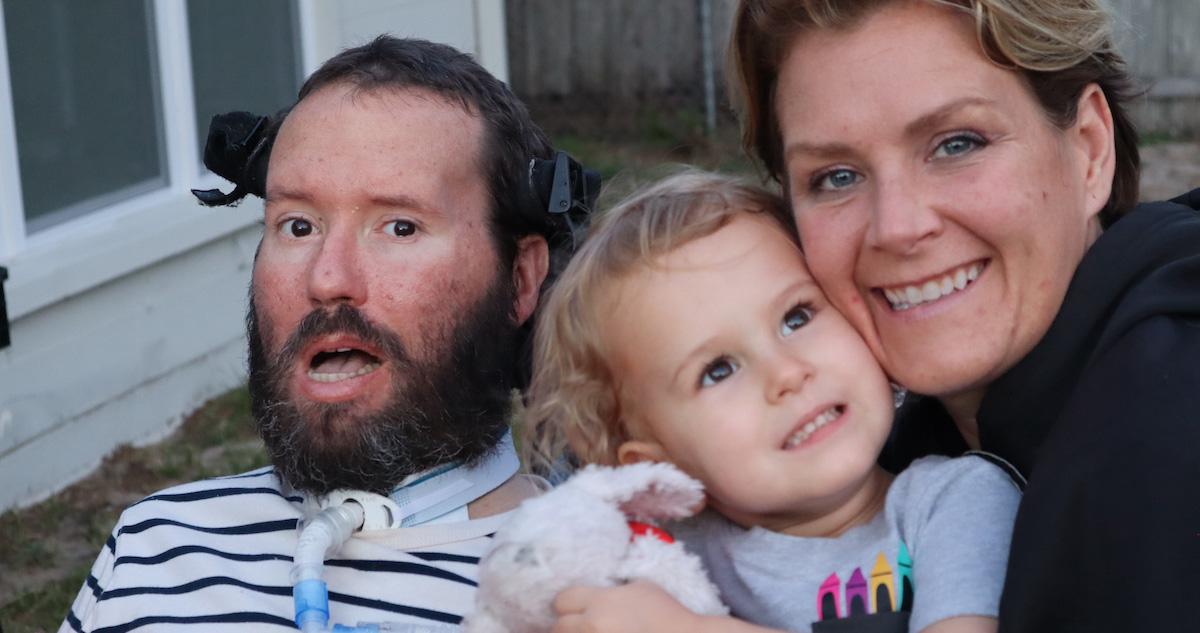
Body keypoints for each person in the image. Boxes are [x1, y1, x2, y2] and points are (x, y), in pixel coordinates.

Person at [61, 36, 591, 632]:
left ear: (520, 279)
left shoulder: (602, 596)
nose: (327, 278)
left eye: (399, 227)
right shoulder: (153, 548)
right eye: (298, 225)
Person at [728, 1, 1200, 631]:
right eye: (836, 177)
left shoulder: (1169, 420)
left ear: (1089, 148)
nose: (897, 227)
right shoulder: (882, 454)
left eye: (957, 144)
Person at [524, 171, 1021, 633]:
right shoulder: (659, 561)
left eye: (797, 317)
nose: (786, 373)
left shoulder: (956, 503)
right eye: (719, 370)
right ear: (658, 467)